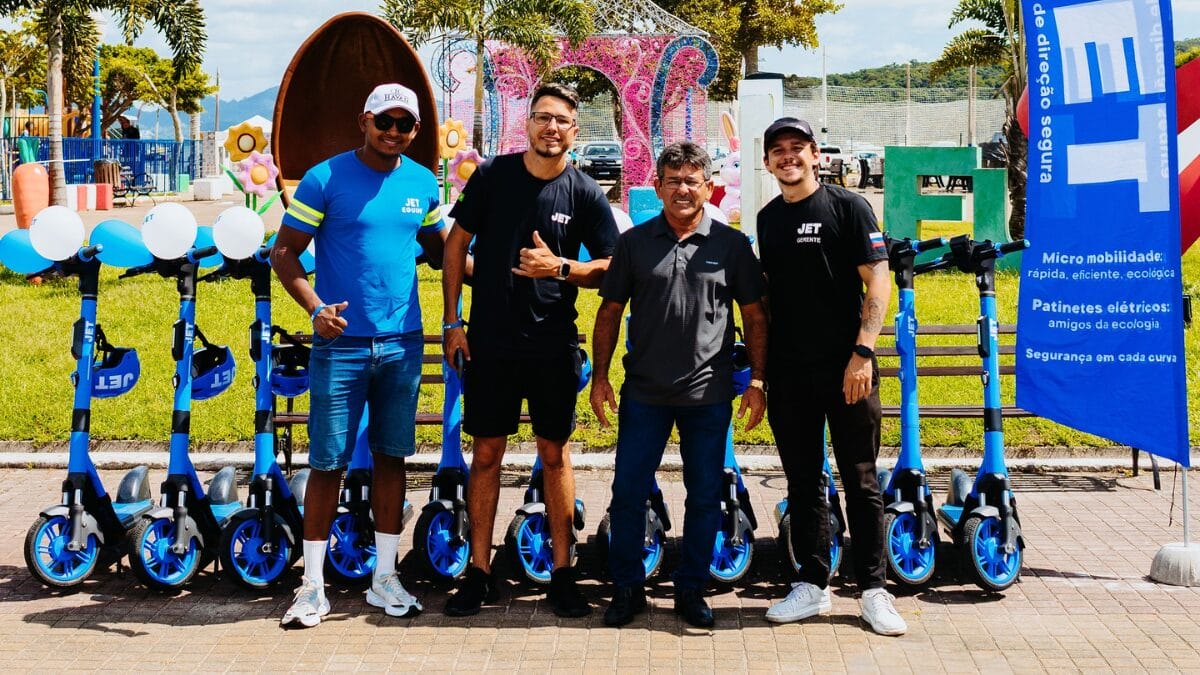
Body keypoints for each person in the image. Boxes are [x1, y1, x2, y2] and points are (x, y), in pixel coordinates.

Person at [271, 83, 450, 628]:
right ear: (364, 120)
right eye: (385, 121)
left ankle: (385, 578)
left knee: (394, 457)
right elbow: (284, 253)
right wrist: (315, 309)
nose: (394, 132)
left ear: (416, 132)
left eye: (405, 125)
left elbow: (447, 254)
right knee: (327, 464)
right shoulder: (325, 177)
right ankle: (311, 588)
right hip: (340, 345)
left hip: (402, 343)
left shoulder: (422, 182)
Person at [441, 82, 619, 618]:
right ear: (529, 124)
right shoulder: (494, 177)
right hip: (491, 344)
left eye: (562, 121)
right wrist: (453, 321)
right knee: (488, 455)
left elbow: (612, 266)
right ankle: (479, 571)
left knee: (555, 454)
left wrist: (560, 268)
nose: (552, 128)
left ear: (575, 131)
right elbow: (455, 244)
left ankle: (563, 574)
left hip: (551, 345)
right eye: (543, 118)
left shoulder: (585, 192)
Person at [591, 141, 767, 629]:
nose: (684, 189)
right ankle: (627, 589)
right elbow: (609, 313)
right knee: (627, 493)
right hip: (644, 393)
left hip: (708, 396)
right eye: (674, 181)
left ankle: (692, 589)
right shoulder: (634, 243)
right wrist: (601, 378)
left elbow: (754, 316)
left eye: (693, 180)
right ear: (658, 187)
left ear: (709, 187)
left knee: (705, 494)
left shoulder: (732, 246)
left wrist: (756, 379)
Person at [755, 117, 906, 636]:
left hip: (849, 370)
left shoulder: (848, 206)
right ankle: (812, 585)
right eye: (778, 150)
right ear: (768, 161)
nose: (788, 157)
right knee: (802, 480)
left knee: (861, 476)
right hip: (791, 373)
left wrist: (862, 352)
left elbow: (878, 281)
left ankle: (873, 590)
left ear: (815, 155)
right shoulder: (767, 218)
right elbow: (770, 296)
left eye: (798, 148)